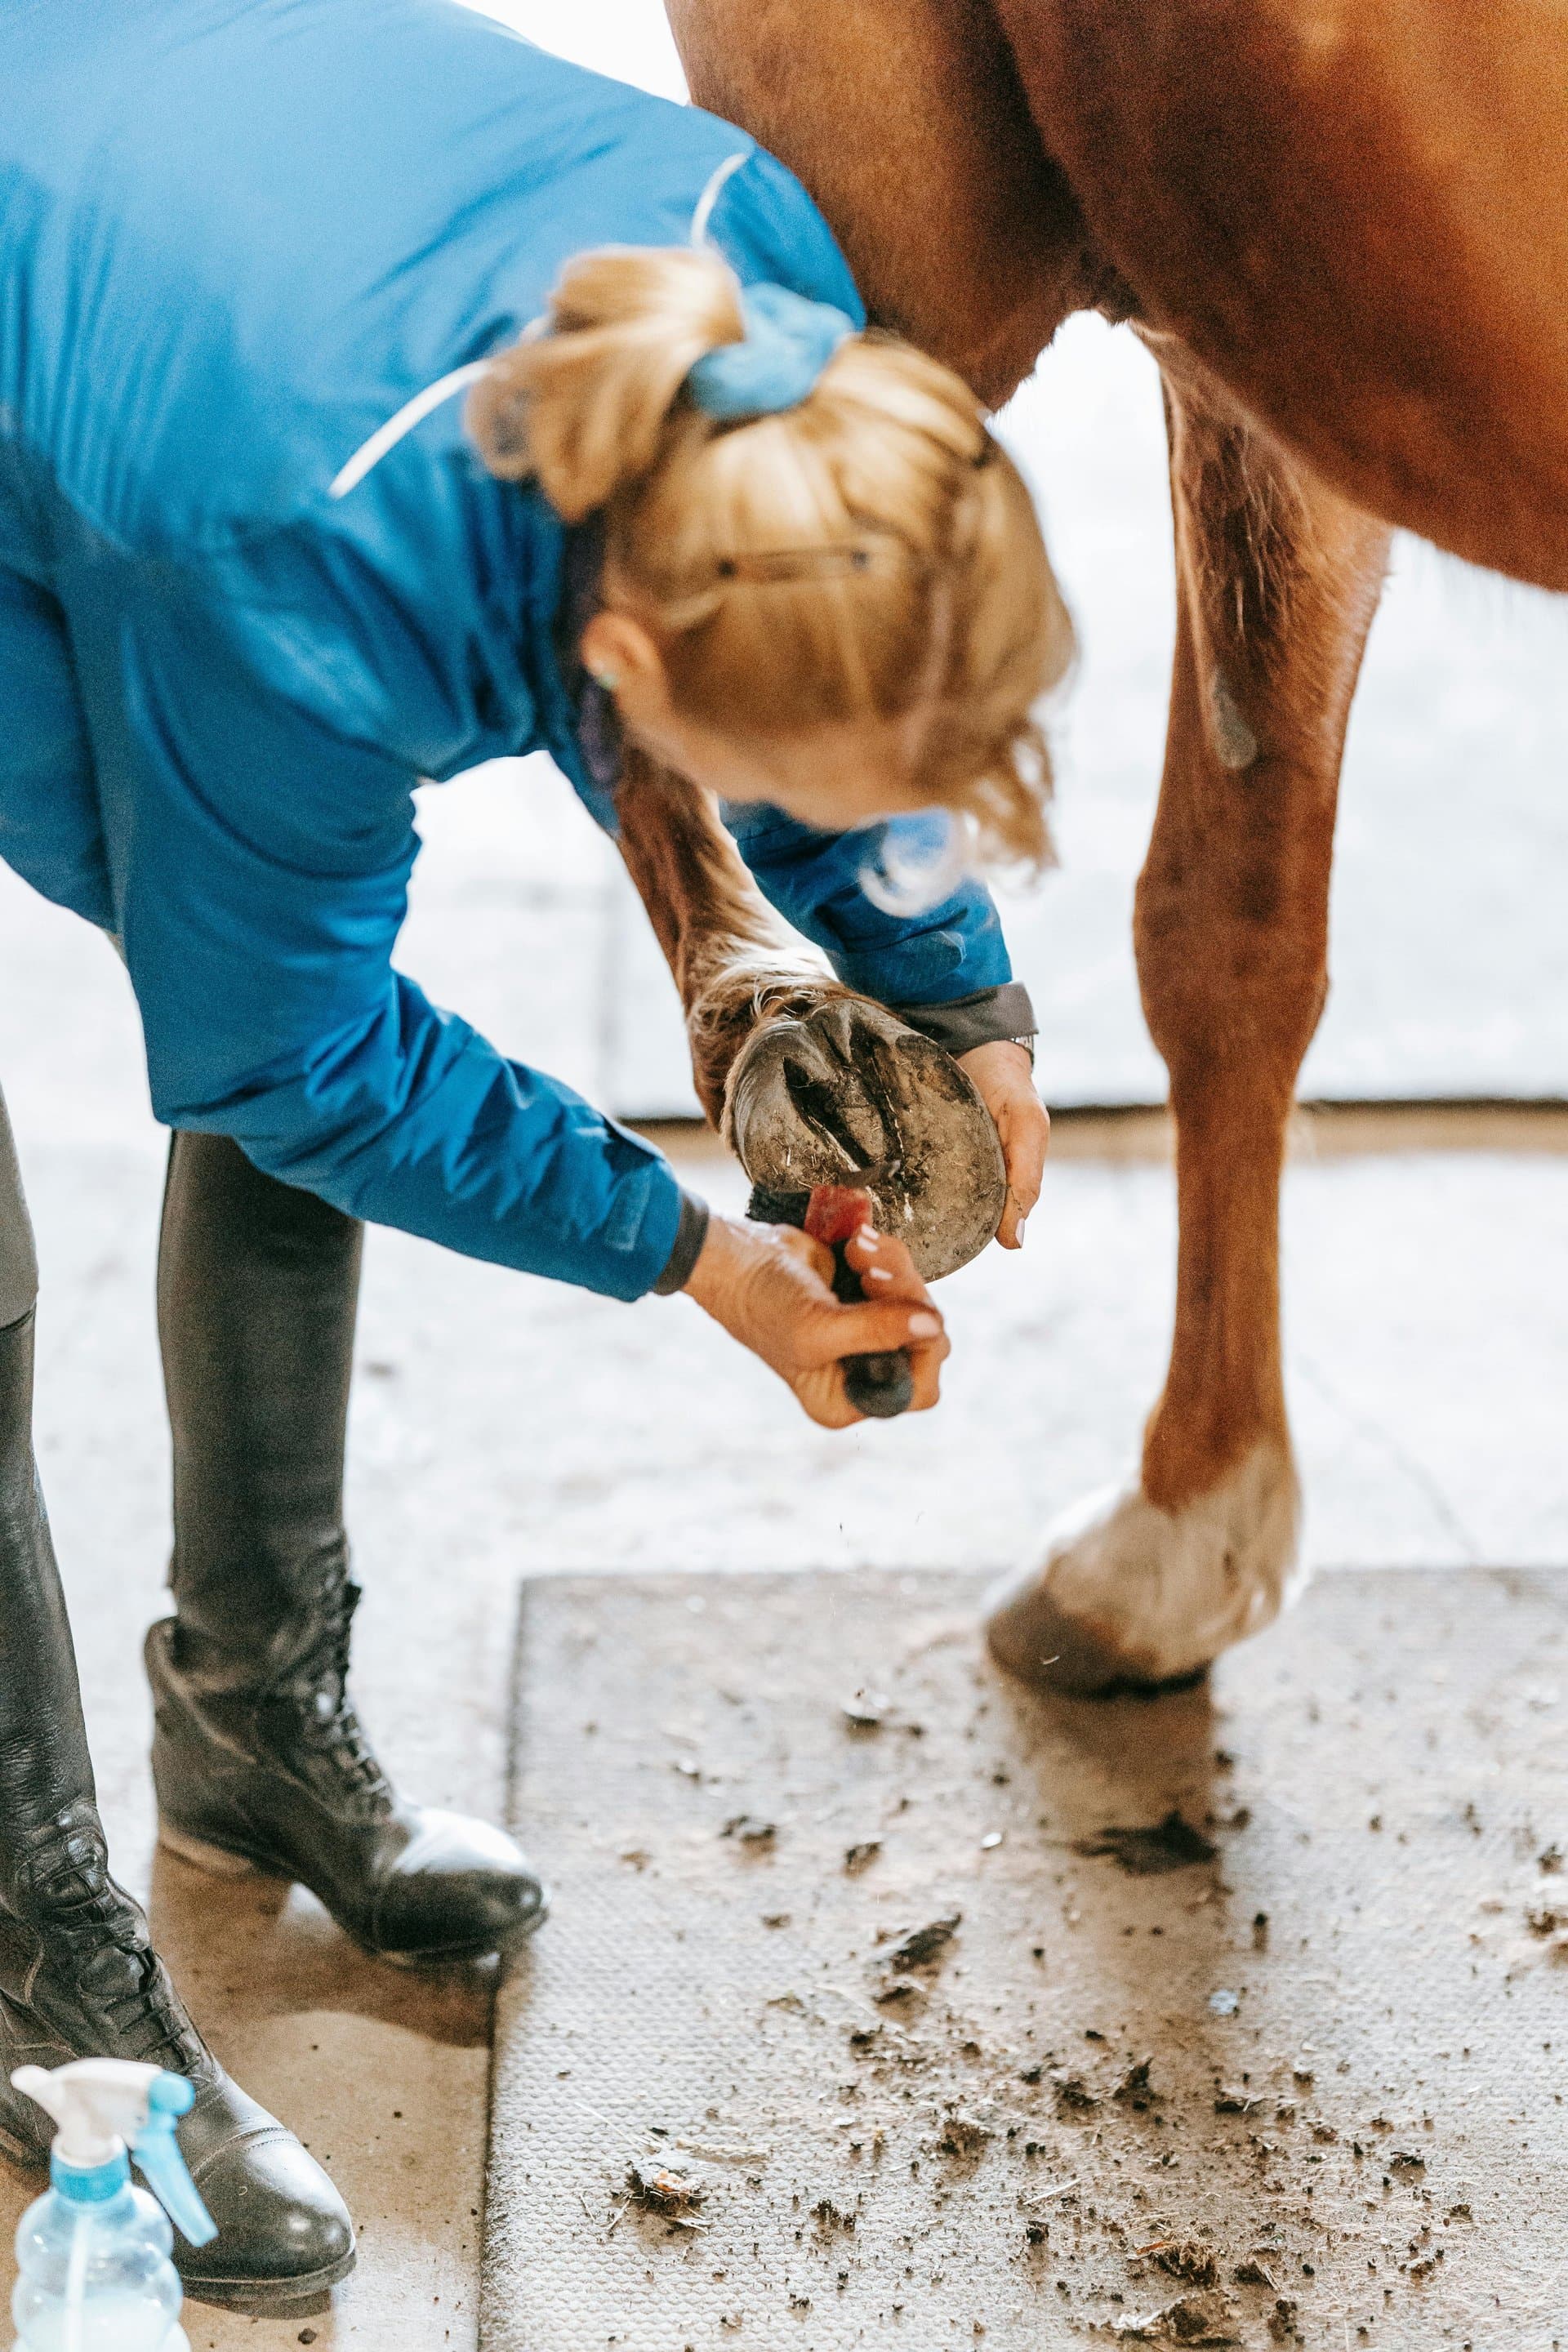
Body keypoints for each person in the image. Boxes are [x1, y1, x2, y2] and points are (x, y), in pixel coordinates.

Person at [0, 0, 1066, 2307]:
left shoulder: (760, 302)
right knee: (233, 1047)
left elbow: (797, 660)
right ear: (605, 646)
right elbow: (289, 1055)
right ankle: (38, 1925)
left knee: (291, 941)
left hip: (155, 191)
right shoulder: (302, 565)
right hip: (148, 392)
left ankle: (249, 1726)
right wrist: (700, 1261)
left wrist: (955, 991)